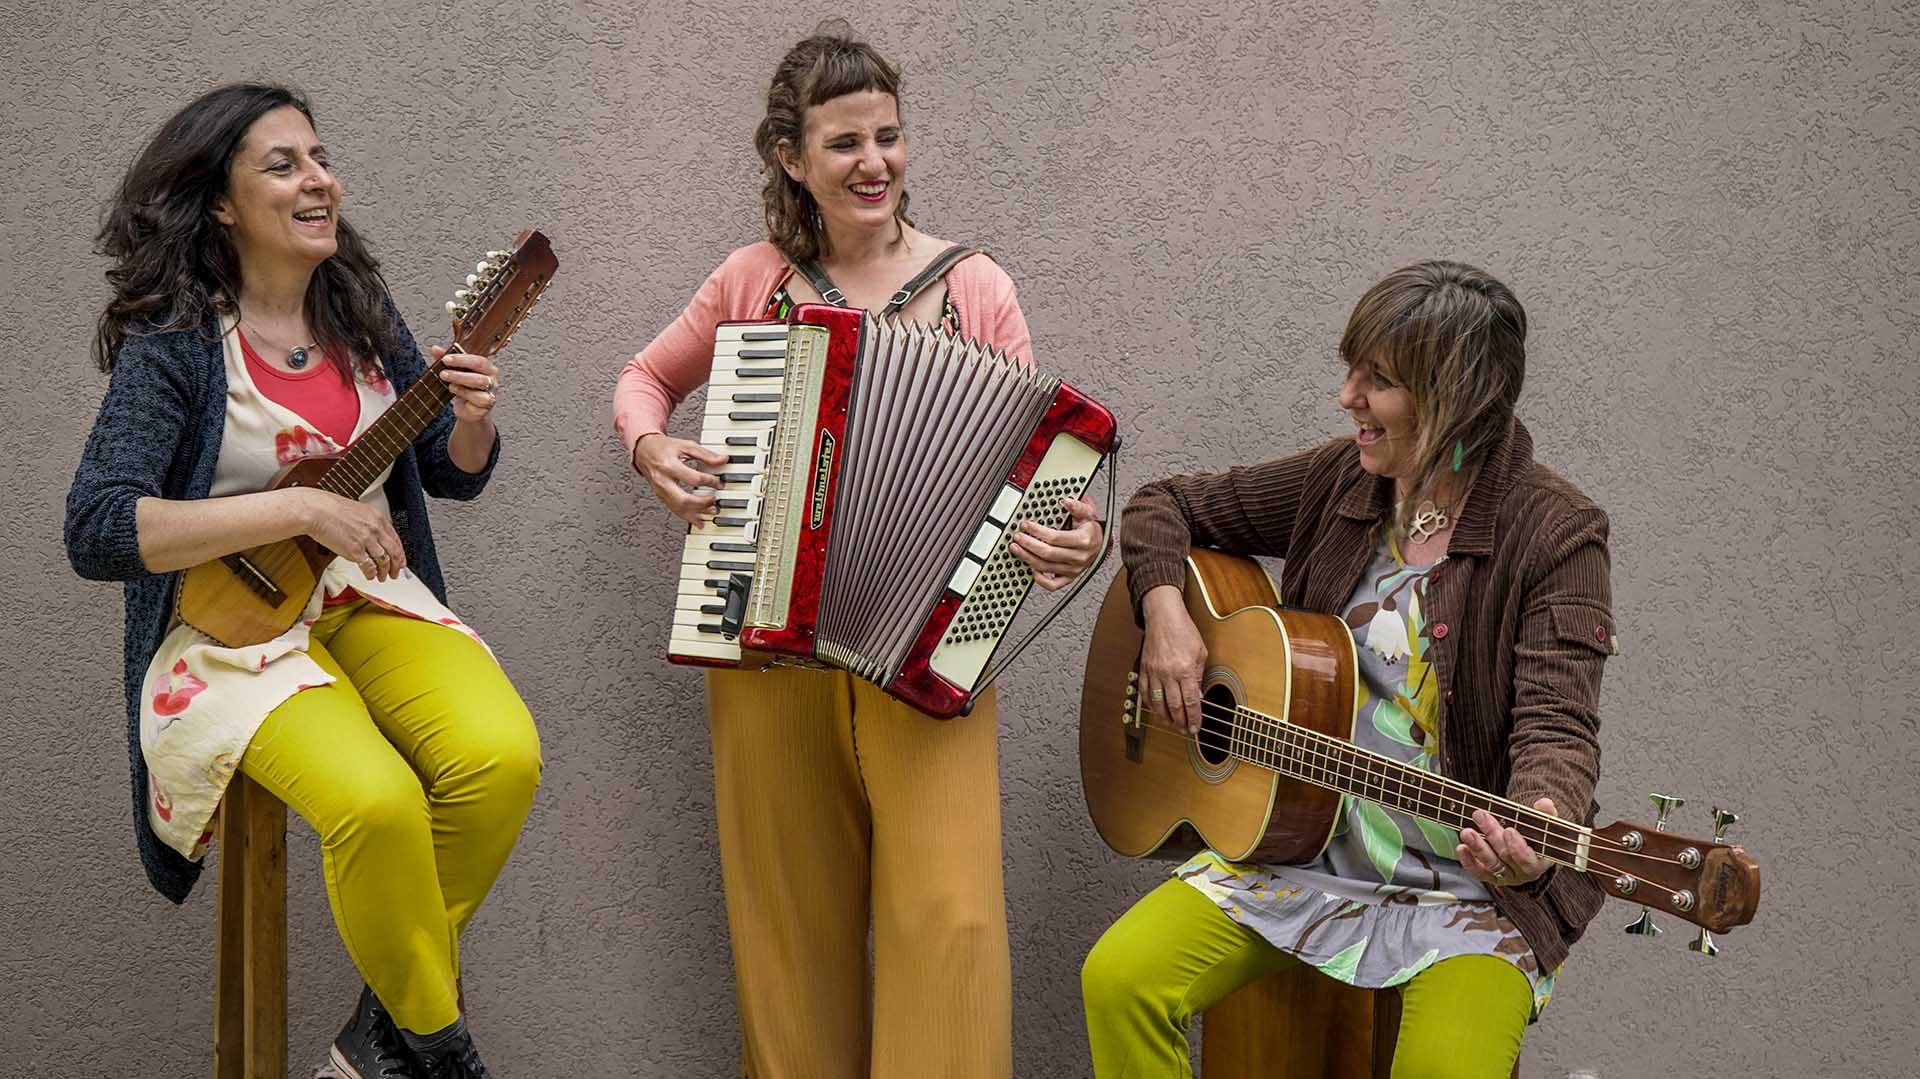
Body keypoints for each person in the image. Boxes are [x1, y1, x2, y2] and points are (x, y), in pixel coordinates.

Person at [613, 25, 1102, 1079]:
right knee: (789, 923)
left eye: (888, 136)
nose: (874, 162)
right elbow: (643, 379)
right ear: (792, 158)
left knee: (951, 919)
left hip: (931, 650)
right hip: (764, 643)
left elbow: (1045, 463)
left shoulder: (976, 286)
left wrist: (1072, 535)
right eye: (844, 143)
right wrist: (653, 449)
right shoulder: (751, 279)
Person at [65, 83, 540, 1079]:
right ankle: (442, 1053)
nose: (319, 179)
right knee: (376, 802)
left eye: (320, 158)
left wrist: (474, 414)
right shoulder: (177, 342)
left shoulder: (359, 312)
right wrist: (297, 510)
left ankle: (382, 1036)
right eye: (283, 165)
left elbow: (448, 472)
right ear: (221, 202)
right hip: (229, 631)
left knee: (500, 757)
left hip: (364, 594)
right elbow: (98, 526)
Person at [1082, 261, 1615, 1078]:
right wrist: (1164, 613)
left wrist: (1539, 825)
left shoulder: (1555, 532)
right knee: (1120, 980)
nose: (1347, 397)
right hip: (1302, 855)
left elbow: (1559, 724)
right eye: (1352, 371)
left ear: (1455, 398)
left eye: (1379, 381)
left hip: (1469, 896)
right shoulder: (1340, 481)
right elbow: (1163, 505)